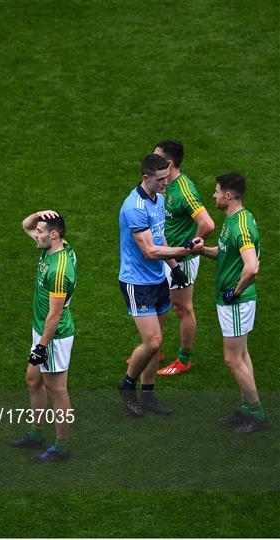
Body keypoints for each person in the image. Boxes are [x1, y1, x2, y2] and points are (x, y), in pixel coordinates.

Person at [118, 154, 203, 417]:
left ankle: (149, 395)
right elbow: (149, 251)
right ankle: (127, 385)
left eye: (168, 178)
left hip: (158, 279)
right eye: (161, 180)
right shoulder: (134, 208)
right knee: (153, 341)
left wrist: (175, 267)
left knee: (158, 340)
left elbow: (159, 234)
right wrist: (185, 250)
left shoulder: (158, 198)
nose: (166, 183)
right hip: (137, 282)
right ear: (146, 178)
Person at [202, 173, 268, 434]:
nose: (214, 196)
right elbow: (225, 252)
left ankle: (258, 413)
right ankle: (248, 408)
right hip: (232, 301)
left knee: (232, 359)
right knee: (241, 355)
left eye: (217, 191)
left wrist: (235, 292)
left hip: (236, 302)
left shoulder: (240, 226)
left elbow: (251, 267)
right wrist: (202, 250)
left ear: (228, 196)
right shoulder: (235, 219)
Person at [9, 211, 77, 461]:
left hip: (53, 336)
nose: (35, 235)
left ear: (54, 235)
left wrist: (41, 346)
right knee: (33, 379)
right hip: (41, 330)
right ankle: (37, 433)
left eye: (40, 232)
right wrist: (39, 215)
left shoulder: (59, 270)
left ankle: (62, 446)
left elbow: (55, 314)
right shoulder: (54, 247)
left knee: (56, 389)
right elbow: (24, 224)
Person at [153, 140, 215, 376]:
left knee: (182, 308)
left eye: (157, 158)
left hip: (181, 260)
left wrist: (189, 248)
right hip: (163, 254)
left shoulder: (185, 190)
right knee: (159, 302)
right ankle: (155, 351)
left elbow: (207, 224)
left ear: (169, 164)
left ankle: (183, 359)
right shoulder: (161, 182)